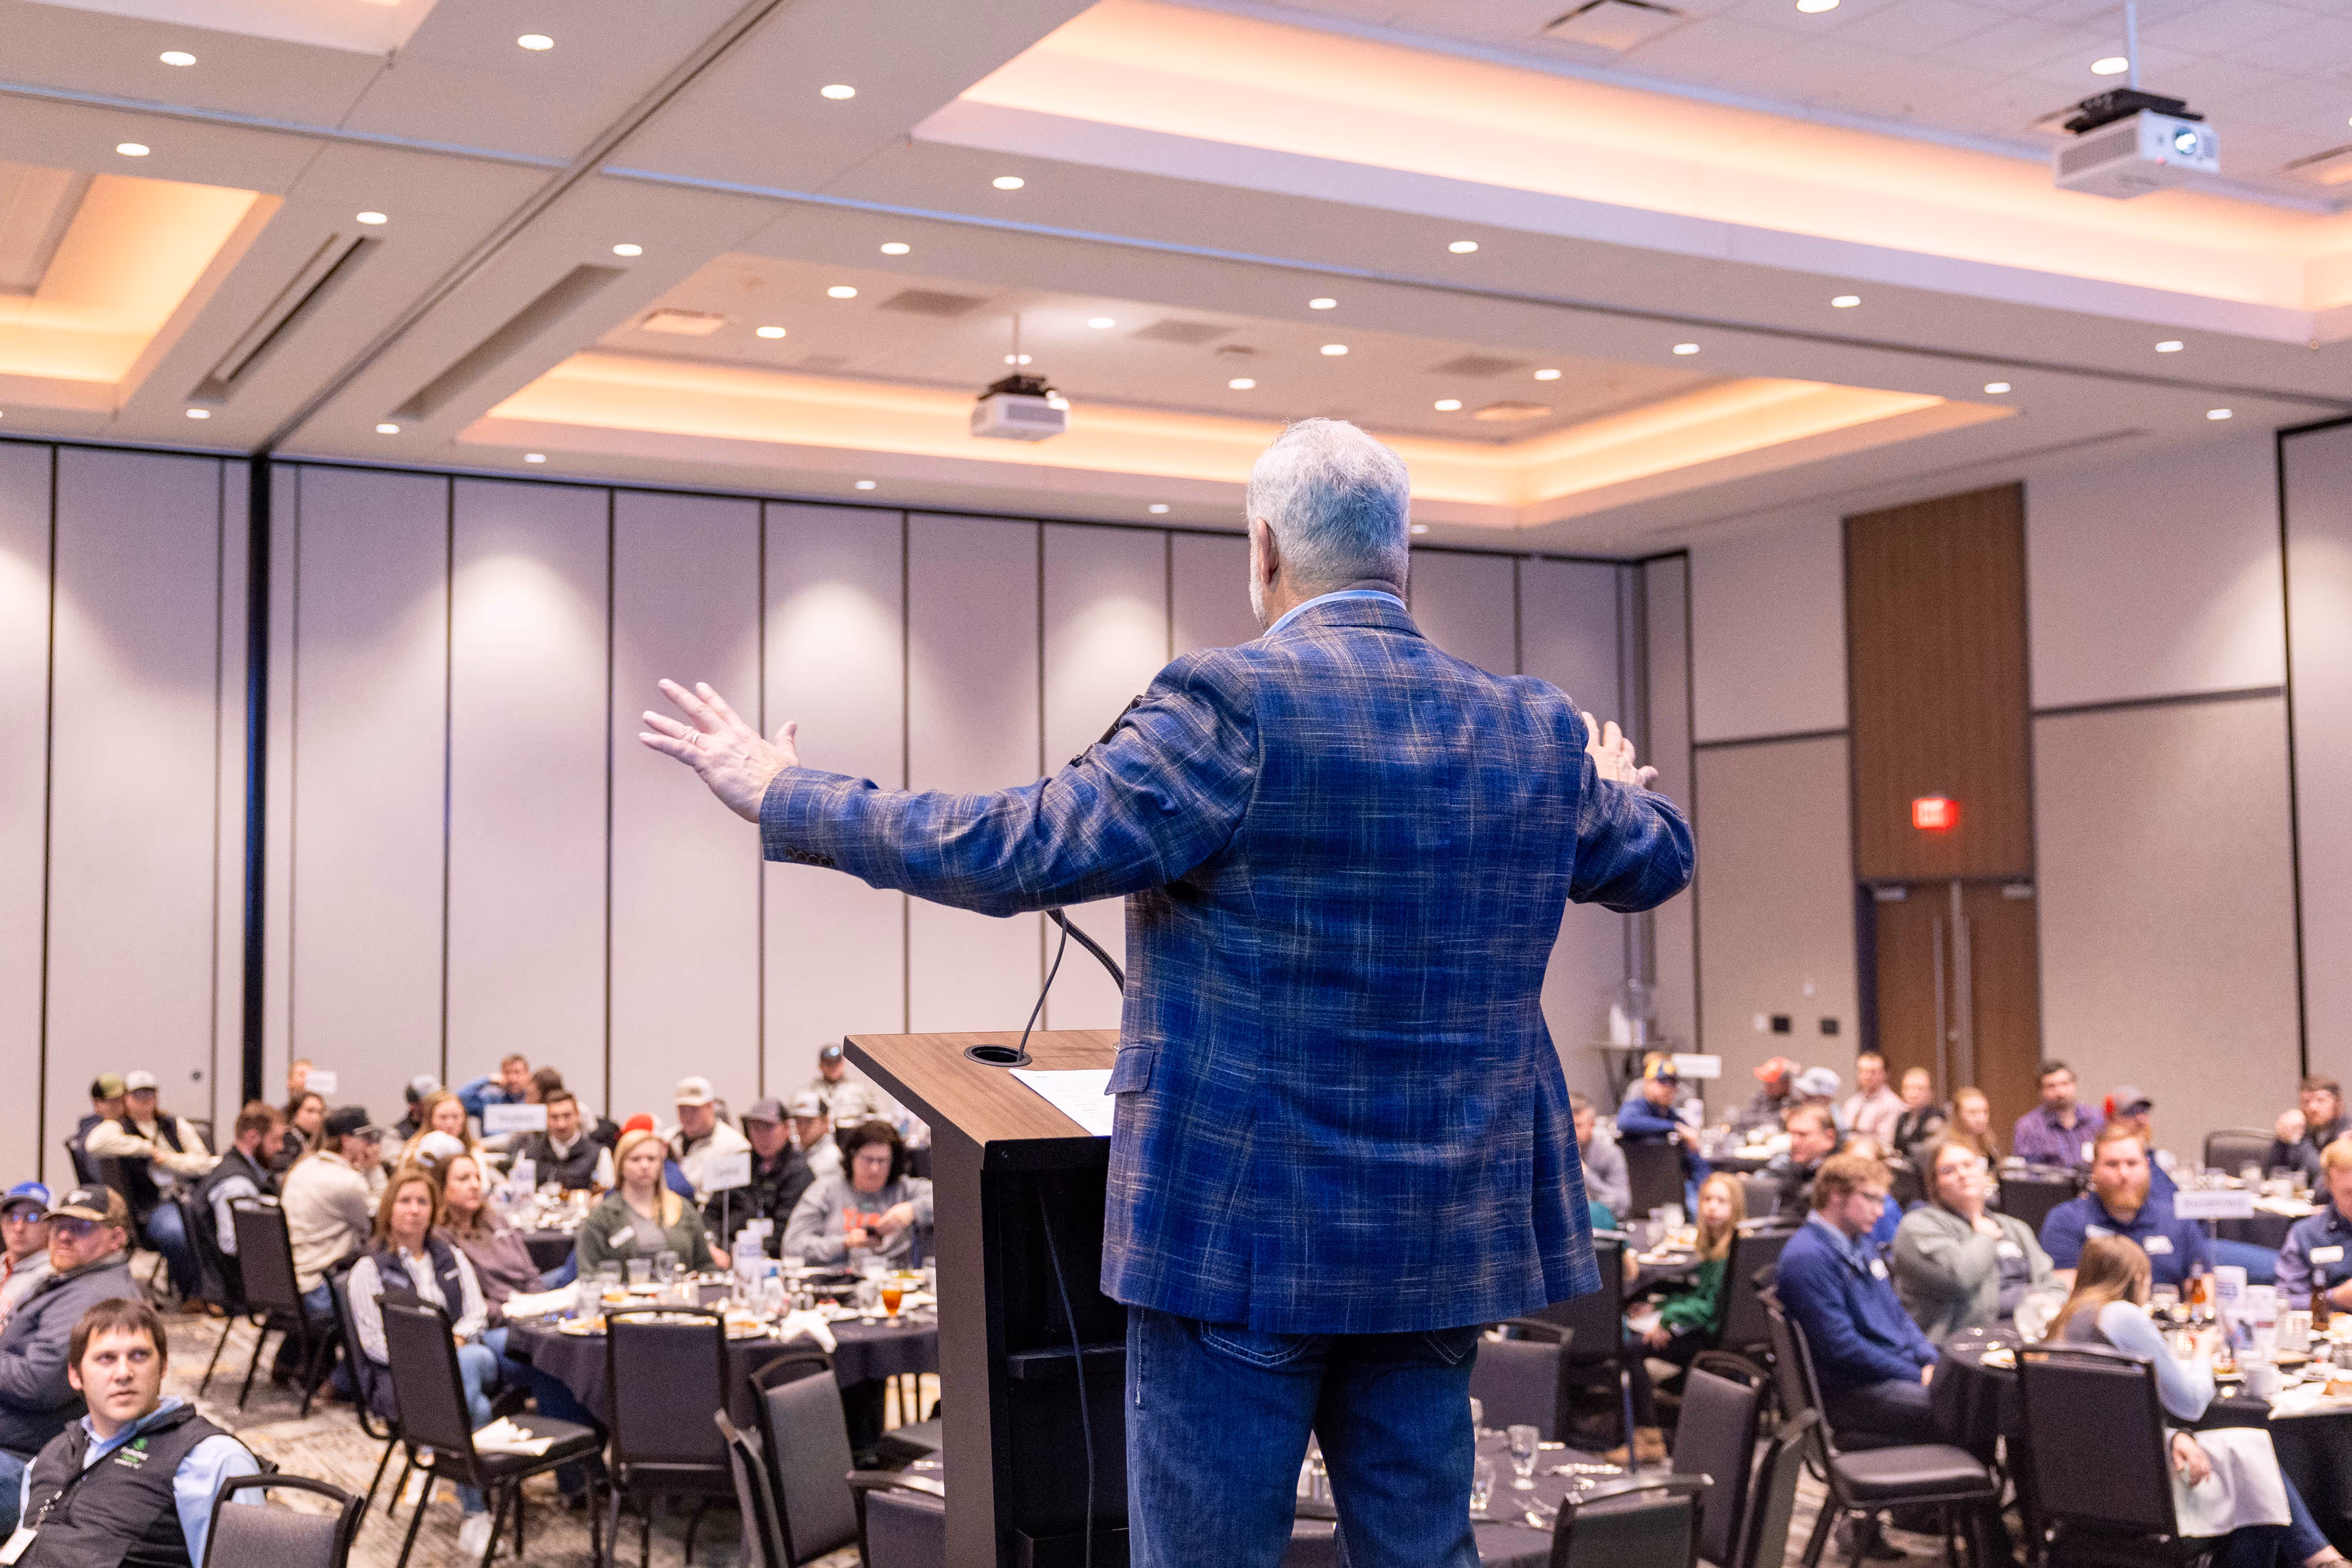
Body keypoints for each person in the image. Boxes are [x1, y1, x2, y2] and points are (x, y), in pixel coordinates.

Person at [640, 416, 1691, 1568]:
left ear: (1263, 551)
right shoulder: (1530, 729)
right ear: (1407, 556)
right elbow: (1651, 858)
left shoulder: (1229, 707)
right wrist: (1614, 789)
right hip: (1435, 1249)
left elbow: (1013, 847)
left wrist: (791, 793)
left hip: (1237, 1244)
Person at [2051, 1236, 2348, 1568]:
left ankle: (2323, 1559)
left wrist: (2171, 1436)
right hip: (2137, 1486)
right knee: (2253, 1457)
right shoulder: (2122, 1315)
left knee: (2251, 1468)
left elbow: (2097, 1417)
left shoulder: (2065, 1320)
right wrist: (2204, 1351)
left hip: (2082, 1480)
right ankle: (2323, 1560)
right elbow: (2190, 1404)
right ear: (2137, 1280)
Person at [12, 1299, 262, 1563]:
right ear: (76, 1376)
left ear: (163, 1366)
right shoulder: (55, 1454)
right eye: (106, 1358)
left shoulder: (213, 1459)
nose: (123, 1373)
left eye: (139, 1356)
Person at [346, 1166, 502, 1553]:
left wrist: (454, 1341)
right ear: (389, 1208)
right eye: (405, 1201)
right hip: (404, 1378)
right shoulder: (370, 1270)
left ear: (433, 1211)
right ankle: (476, 1513)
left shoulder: (450, 1256)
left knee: (476, 1357)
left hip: (465, 1354)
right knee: (476, 1404)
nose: (414, 1210)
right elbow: (374, 1344)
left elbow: (477, 1311)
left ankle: (437, 1447)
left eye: (422, 1202)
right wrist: (430, 1355)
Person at [1772, 1151, 1939, 1445]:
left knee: (1977, 1391)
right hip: (1854, 1392)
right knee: (1966, 1410)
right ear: (1836, 1195)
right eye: (1871, 1199)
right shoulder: (1807, 1258)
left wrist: (1929, 1360)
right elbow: (1842, 1348)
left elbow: (1896, 1314)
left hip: (1889, 1372)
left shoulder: (1859, 1242)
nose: (1879, 1212)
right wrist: (1916, 1374)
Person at [0, 1186, 143, 1525]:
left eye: (81, 1228)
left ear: (116, 1237)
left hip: (29, 1464)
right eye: (59, 1224)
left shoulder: (95, 1298)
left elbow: (38, 1383)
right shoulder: (78, 1278)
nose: (63, 1236)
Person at [1891, 1141, 2053, 1342]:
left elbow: (2050, 1282)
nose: (1963, 1174)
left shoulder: (2015, 1228)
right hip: (1966, 1343)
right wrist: (1984, 1237)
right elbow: (1958, 1278)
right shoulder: (1919, 1226)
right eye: (1949, 1170)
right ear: (1935, 1185)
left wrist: (2045, 1305)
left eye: (1969, 1165)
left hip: (2029, 1333)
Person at [81, 1072, 214, 1304]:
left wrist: (168, 1161)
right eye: (137, 1094)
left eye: (150, 1093)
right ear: (126, 1098)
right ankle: (191, 1293)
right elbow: (94, 1144)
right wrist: (146, 1149)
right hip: (152, 1205)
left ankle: (219, 1293)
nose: (144, 1098)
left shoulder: (174, 1124)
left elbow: (203, 1162)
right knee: (175, 1232)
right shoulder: (117, 1127)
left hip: (193, 1194)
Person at [2039, 1123, 2210, 1290]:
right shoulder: (2066, 1220)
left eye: (2132, 1163)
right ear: (2094, 1168)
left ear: (2147, 1165)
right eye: (2112, 1164)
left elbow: (2204, 1287)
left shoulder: (2178, 1220)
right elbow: (2065, 1292)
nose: (2124, 1174)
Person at [784, 1120, 933, 1267]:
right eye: (868, 1160)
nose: (875, 1169)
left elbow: (950, 1200)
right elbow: (791, 1248)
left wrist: (913, 1209)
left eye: (882, 1161)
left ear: (893, 1161)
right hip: (838, 1282)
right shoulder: (826, 1190)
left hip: (895, 1284)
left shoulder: (904, 1189)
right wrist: (845, 1243)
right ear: (853, 1156)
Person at [280, 1108, 384, 1310]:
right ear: (347, 1141)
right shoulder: (348, 1182)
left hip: (290, 1285)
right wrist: (374, 1168)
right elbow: (381, 1223)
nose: (371, 1144)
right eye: (366, 1138)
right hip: (319, 1289)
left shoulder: (303, 1167)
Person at [577, 1129, 718, 1274]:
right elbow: (588, 1273)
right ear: (621, 1166)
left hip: (675, 1294)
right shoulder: (602, 1216)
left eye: (652, 1159)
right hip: (621, 1296)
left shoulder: (682, 1208)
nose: (645, 1166)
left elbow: (706, 1266)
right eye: (636, 1159)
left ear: (661, 1164)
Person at [713, 1099, 811, 1253]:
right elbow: (713, 1211)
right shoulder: (737, 1164)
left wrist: (743, 1250)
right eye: (755, 1128)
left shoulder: (799, 1171)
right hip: (727, 1251)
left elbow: (786, 1230)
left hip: (774, 1255)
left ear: (786, 1129)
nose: (761, 1135)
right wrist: (713, 1245)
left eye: (769, 1128)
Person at [191, 1102, 282, 1259]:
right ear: (253, 1137)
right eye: (275, 1140)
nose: (280, 1147)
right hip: (233, 1280)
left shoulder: (237, 1165)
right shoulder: (237, 1184)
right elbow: (233, 1244)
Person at [2277, 1136, 2352, 1311]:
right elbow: (2285, 1302)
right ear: (2329, 1185)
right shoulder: (2306, 1235)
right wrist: (2335, 1298)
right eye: (2349, 1193)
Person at [1617, 1060, 1704, 1197]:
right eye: (1662, 1081)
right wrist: (1674, 1127)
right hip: (1640, 1187)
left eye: (1673, 1082)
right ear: (1647, 1084)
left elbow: (1695, 1159)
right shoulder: (1637, 1107)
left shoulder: (1673, 1117)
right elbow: (1625, 1122)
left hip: (1672, 1188)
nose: (1668, 1088)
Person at [667, 1077, 751, 1204]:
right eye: (682, 1109)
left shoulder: (735, 1146)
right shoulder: (666, 1139)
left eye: (694, 1109)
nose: (687, 1116)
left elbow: (735, 1203)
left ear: (710, 1107)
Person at [2012, 1060, 2103, 1171]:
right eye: (2051, 1087)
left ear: (2074, 1084)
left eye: (2065, 1084)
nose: (2060, 1093)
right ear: (2041, 1091)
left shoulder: (2097, 1118)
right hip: (2051, 1188)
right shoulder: (2028, 1126)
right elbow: (2026, 1173)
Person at [513, 1090, 613, 1191]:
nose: (562, 1125)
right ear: (546, 1119)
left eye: (567, 1116)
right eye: (554, 1117)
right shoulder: (527, 1154)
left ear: (578, 1116)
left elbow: (607, 1195)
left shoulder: (600, 1154)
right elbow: (517, 1193)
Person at [1764, 1103, 1841, 1216]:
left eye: (1803, 1135)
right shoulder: (1794, 1169)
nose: (1794, 1142)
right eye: (1792, 1134)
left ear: (1829, 1138)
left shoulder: (1836, 1179)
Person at [2269, 1076, 2346, 1188]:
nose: (2312, 1108)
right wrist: (2282, 1140)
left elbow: (2324, 1178)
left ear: (2337, 1103)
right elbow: (2272, 1173)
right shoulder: (2302, 1129)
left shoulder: (2348, 1132)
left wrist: (2299, 1140)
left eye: (2321, 1101)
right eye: (2306, 1102)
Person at [1568, 1092, 1629, 1218]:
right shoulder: (1555, 1157)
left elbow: (1622, 1205)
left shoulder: (1611, 1154)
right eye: (1568, 1126)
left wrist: (1584, 1172)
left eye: (1578, 1126)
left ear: (1592, 1125)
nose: (1572, 1132)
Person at [810, 1043, 895, 1127]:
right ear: (820, 1066)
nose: (833, 1067)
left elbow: (881, 1114)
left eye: (837, 1062)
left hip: (856, 1135)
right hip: (825, 1137)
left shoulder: (859, 1089)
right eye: (828, 1063)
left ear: (843, 1063)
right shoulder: (812, 1092)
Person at [0, 1187, 50, 1328]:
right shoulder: (4, 1265)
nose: (19, 1228)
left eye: (32, 1218)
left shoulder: (50, 1277)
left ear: (51, 1225)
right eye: (13, 1217)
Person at [399, 1090, 486, 1171]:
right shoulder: (414, 1152)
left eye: (456, 1117)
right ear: (431, 1120)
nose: (450, 1124)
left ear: (464, 1120)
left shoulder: (474, 1152)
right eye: (443, 1117)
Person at [1840, 1051, 1904, 1144]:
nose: (1867, 1077)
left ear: (1886, 1074)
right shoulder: (1852, 1102)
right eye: (1862, 1071)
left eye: (1873, 1072)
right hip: (1848, 1153)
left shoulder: (1893, 1105)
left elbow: (1885, 1142)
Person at [1889, 1067, 1947, 1166]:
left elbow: (1929, 1155)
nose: (1913, 1094)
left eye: (1920, 1089)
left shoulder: (1936, 1119)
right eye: (1907, 1088)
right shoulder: (1903, 1118)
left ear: (1931, 1093)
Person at [1732, 1057, 1801, 1138]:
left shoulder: (1797, 1100)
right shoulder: (1762, 1097)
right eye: (1767, 1082)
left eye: (1771, 1083)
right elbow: (1744, 1120)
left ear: (1785, 1083)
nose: (1767, 1086)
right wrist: (1779, 1116)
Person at [456, 1054, 532, 1123]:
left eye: (517, 1073)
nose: (512, 1079)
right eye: (507, 1073)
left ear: (528, 1075)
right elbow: (459, 1099)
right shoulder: (490, 1100)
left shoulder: (534, 1102)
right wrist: (489, 1079)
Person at [71, 1077, 124, 1175]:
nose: (121, 1105)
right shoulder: (92, 1132)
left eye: (123, 1100)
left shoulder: (124, 1124)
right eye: (114, 1101)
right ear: (97, 1103)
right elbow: (99, 1174)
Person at [788, 1091, 840, 1181]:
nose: (802, 1127)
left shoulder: (832, 1158)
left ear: (826, 1122)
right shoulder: (796, 1151)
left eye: (809, 1121)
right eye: (798, 1121)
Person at [273, 1089, 326, 1173]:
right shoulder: (285, 1140)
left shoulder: (317, 1141)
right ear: (295, 1112)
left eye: (320, 1112)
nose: (316, 1118)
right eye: (310, 1111)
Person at [1945, 1087, 1999, 1162]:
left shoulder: (1989, 1145)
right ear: (1957, 1114)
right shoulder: (1948, 1147)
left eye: (1985, 1112)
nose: (1981, 1119)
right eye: (1973, 1113)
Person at [392, 1075, 440, 1143]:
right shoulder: (397, 1134)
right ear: (413, 1105)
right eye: (429, 1102)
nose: (436, 1106)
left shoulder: (445, 1127)